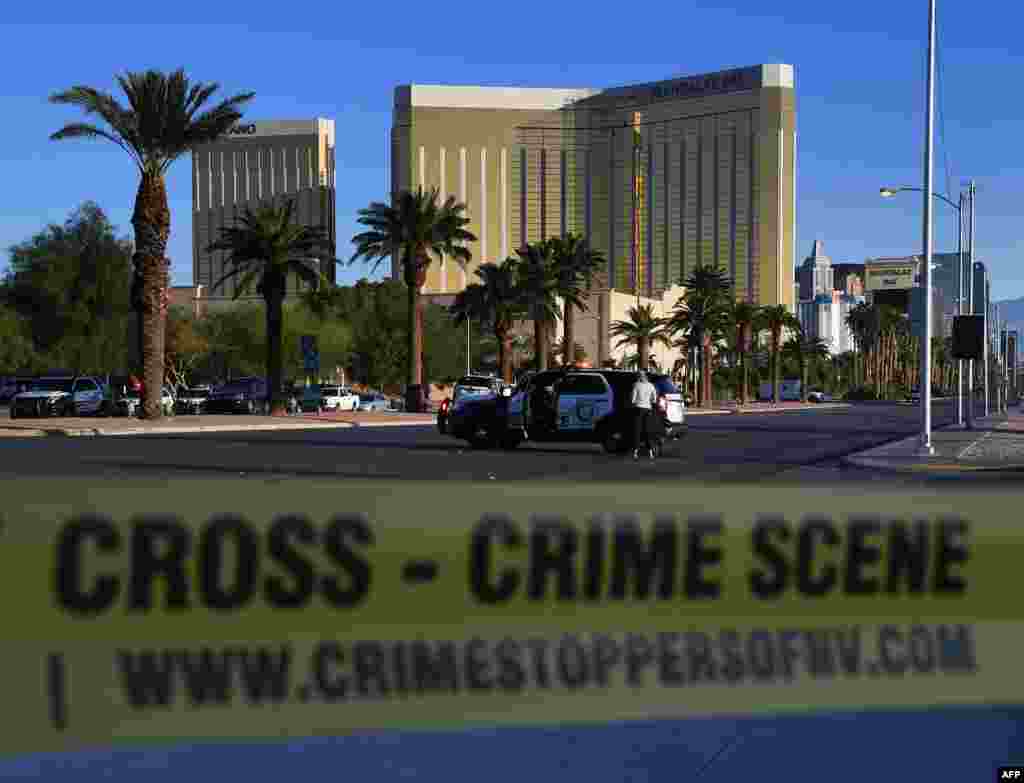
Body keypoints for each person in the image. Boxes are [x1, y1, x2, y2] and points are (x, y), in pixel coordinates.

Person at [630, 371, 658, 459]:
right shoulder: (651, 385)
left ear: (639, 376)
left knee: (637, 430)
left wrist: (634, 402)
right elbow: (654, 399)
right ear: (646, 377)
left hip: (639, 409)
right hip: (648, 409)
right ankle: (650, 452)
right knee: (647, 430)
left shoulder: (636, 385)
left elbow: (633, 399)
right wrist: (650, 402)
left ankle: (635, 452)